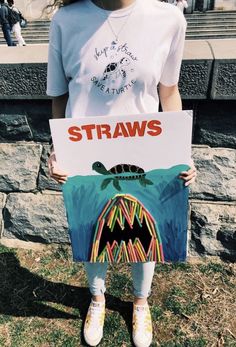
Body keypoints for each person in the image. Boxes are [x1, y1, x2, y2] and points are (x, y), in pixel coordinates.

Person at [46, 1, 197, 346]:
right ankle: (97, 299)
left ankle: (140, 302)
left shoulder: (168, 18)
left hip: (146, 153)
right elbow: (60, 97)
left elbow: (169, 92)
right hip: (86, 155)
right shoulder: (66, 21)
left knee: (144, 231)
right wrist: (59, 149)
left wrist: (180, 154)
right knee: (93, 230)